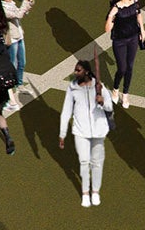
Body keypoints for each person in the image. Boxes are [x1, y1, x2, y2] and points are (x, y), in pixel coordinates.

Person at [58, 57, 114, 206]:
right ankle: (85, 193)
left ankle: (95, 192)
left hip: (99, 131)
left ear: (87, 72)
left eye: (78, 70)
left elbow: (110, 107)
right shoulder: (72, 88)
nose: (75, 72)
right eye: (75, 70)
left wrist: (102, 101)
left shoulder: (100, 87)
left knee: (96, 163)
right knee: (84, 161)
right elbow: (66, 111)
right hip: (80, 131)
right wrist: (62, 133)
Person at [103, 0, 145, 107]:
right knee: (122, 68)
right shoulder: (116, 8)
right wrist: (111, 16)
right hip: (119, 41)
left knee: (130, 67)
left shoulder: (135, 2)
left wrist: (142, 30)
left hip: (133, 38)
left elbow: (138, 14)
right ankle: (116, 89)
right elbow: (107, 30)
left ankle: (126, 94)